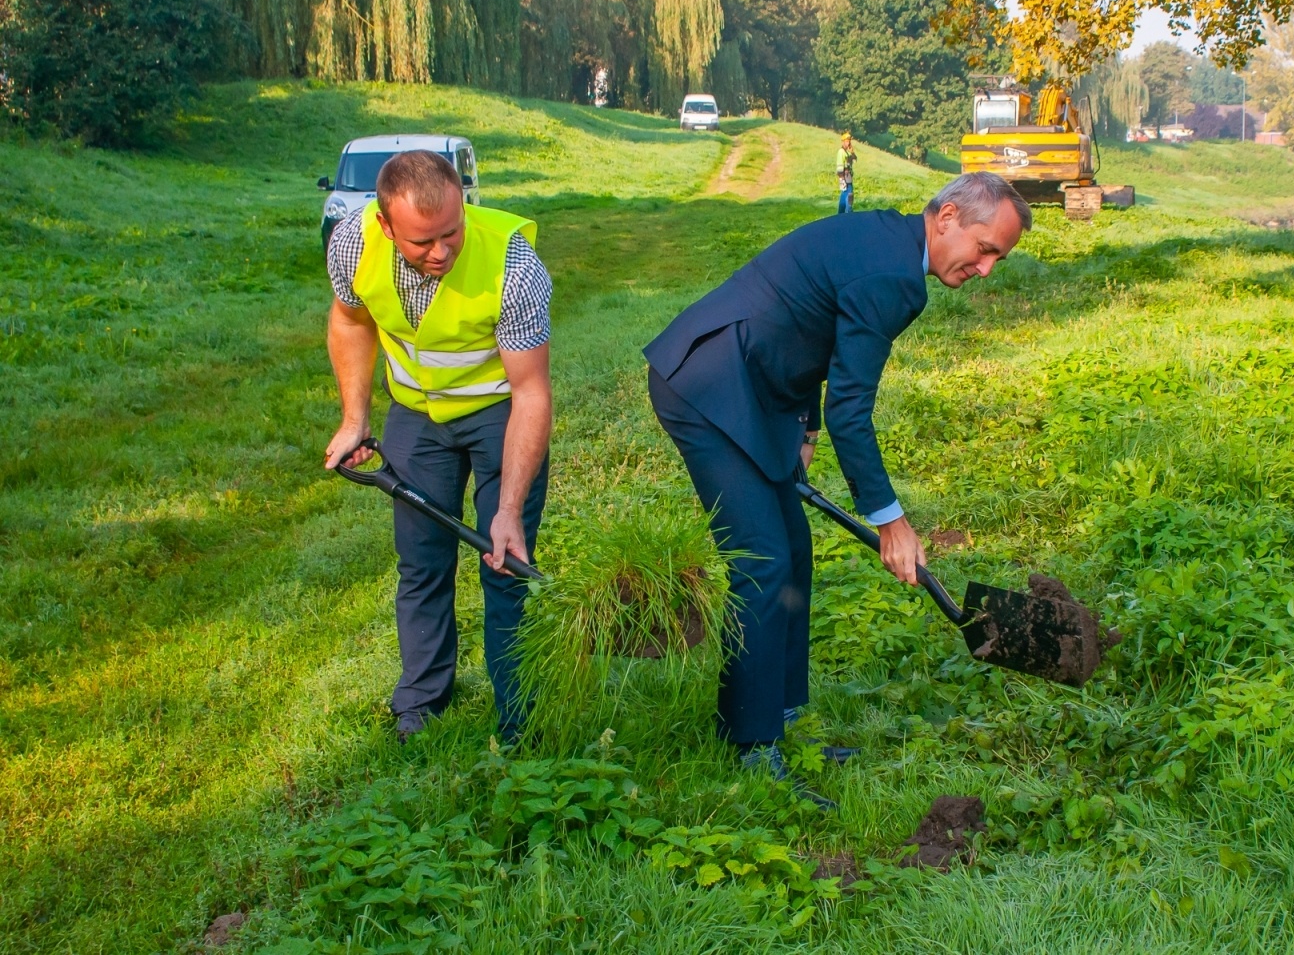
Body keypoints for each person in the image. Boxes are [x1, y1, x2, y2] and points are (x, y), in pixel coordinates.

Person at [643, 172, 1030, 802]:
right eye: (986, 250)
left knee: (793, 552)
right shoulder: (893, 277)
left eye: (998, 261)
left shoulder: (890, 245)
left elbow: (813, 329)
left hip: (759, 386)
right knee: (761, 563)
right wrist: (890, 521)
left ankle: (784, 718)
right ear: (949, 216)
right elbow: (853, 405)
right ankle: (751, 745)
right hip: (708, 385)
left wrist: (803, 428)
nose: (986, 270)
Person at [322, 150, 554, 746]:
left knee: (506, 565)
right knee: (421, 564)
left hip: (499, 415)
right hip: (416, 415)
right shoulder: (353, 245)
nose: (442, 251)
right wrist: (355, 417)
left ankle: (518, 723)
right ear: (384, 225)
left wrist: (507, 510)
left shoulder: (514, 266)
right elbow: (350, 321)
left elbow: (530, 392)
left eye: (452, 231)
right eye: (423, 241)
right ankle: (420, 707)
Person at [835, 132, 857, 214]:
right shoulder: (841, 152)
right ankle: (849, 213)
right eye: (847, 141)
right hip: (845, 176)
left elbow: (855, 160)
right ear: (843, 142)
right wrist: (841, 179)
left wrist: (852, 152)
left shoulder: (847, 152)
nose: (848, 143)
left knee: (844, 195)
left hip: (849, 176)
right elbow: (840, 166)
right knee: (850, 194)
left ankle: (840, 214)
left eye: (849, 141)